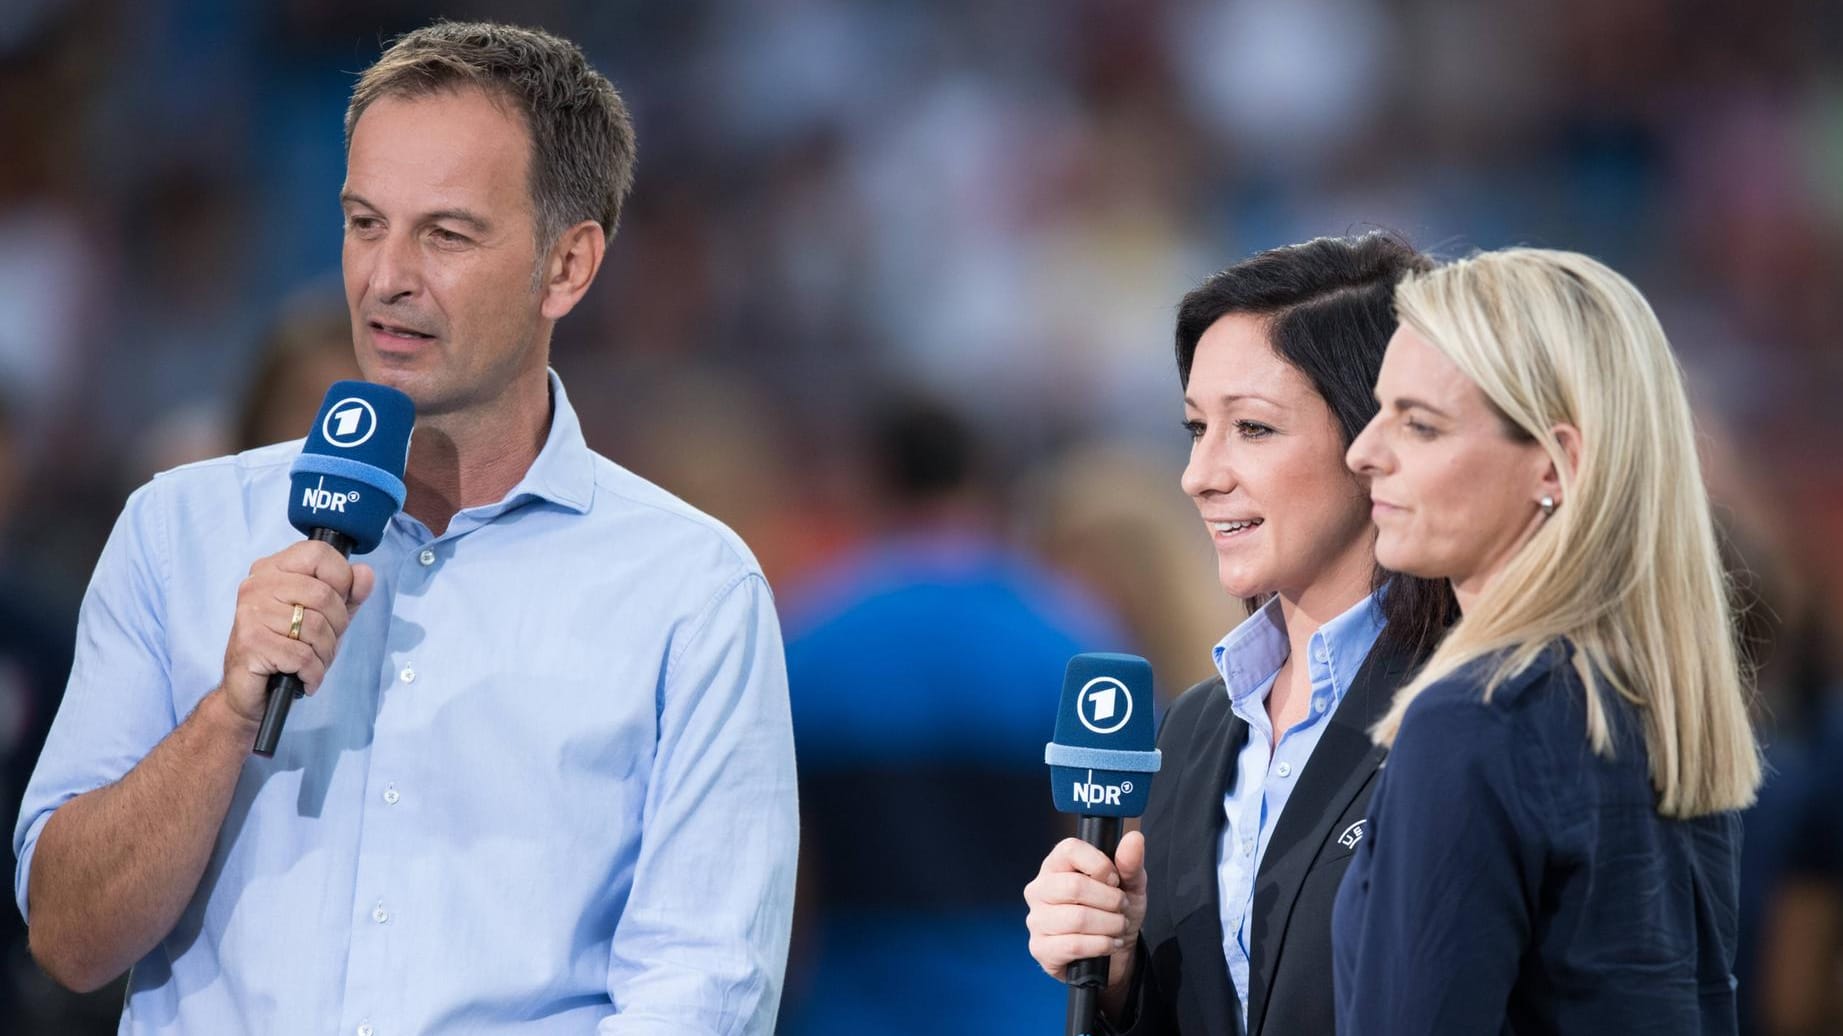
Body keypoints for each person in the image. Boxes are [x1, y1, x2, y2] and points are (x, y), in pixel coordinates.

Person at [13, 21, 797, 1035]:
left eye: (447, 234)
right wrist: (221, 719)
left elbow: (701, 987)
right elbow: (68, 940)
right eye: (364, 222)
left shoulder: (690, 588)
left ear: (568, 267)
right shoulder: (178, 528)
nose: (386, 277)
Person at [1024, 233, 1456, 1036]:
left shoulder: (1479, 706)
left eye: (1251, 428)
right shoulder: (1190, 731)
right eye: (1195, 428)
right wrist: (1119, 981)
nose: (1199, 474)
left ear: (1379, 441)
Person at [1336, 248, 1759, 1034]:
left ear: (1557, 465)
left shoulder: (1474, 719)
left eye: (1418, 425)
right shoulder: (1654, 705)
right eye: (1377, 409)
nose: (1364, 452)